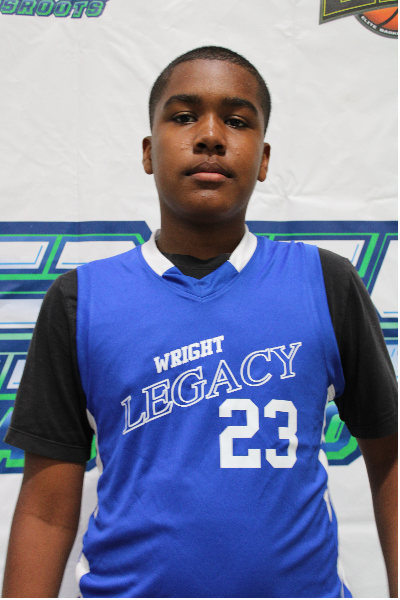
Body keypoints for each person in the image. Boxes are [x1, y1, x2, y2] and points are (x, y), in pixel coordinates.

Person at [2, 46, 398, 599]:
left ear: (263, 158)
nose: (210, 135)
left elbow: (390, 456)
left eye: (237, 121)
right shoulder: (80, 300)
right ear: (148, 152)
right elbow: (45, 509)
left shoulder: (325, 283)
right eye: (184, 116)